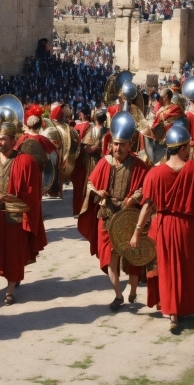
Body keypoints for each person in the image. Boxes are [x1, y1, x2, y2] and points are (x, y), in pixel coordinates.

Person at [130, 123, 194, 331]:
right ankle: (183, 308)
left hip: (165, 226)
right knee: (187, 269)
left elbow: (148, 206)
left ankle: (172, 314)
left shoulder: (155, 174)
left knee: (168, 270)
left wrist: (136, 232)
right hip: (190, 226)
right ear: (184, 148)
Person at [77, 112, 149, 310]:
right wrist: (97, 191)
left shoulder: (139, 165)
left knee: (133, 256)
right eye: (115, 144)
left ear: (129, 145)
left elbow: (146, 188)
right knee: (110, 256)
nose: (118, 148)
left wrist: (133, 198)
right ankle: (118, 295)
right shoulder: (104, 162)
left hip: (129, 217)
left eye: (122, 144)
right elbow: (91, 183)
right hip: (107, 215)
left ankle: (132, 290)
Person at [0, 121, 47, 304]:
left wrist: (16, 198)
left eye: (3, 139)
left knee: (13, 254)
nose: (0, 143)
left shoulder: (25, 161)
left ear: (13, 140)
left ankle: (10, 290)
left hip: (15, 216)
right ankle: (11, 279)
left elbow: (34, 193)